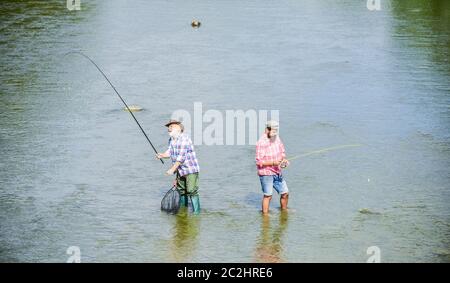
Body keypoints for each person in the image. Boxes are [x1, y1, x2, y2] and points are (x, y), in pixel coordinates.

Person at [156, 120, 201, 214]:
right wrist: (162, 155)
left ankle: (196, 213)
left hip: (190, 169)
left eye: (172, 126)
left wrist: (172, 169)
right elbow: (170, 152)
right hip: (180, 170)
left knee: (191, 191)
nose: (169, 128)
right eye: (168, 127)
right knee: (181, 191)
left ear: (179, 128)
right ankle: (183, 210)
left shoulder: (184, 139)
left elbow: (181, 158)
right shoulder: (171, 140)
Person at [255, 120, 290, 214]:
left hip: (277, 171)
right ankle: (265, 216)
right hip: (266, 173)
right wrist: (273, 162)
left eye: (276, 131)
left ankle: (284, 212)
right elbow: (258, 162)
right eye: (273, 131)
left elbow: (282, 151)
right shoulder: (261, 142)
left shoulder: (277, 138)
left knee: (285, 193)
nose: (274, 133)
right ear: (267, 129)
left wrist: (284, 160)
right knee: (268, 196)